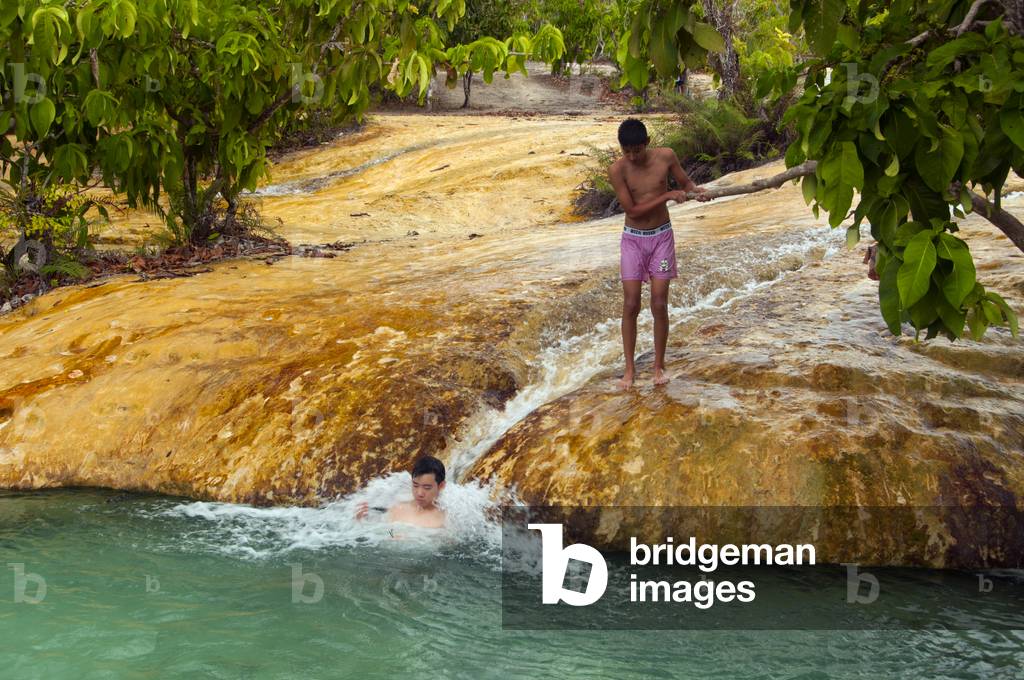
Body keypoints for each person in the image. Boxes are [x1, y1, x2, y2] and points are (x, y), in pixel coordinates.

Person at [608, 118, 710, 390]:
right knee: (631, 303)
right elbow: (632, 211)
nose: (632, 156)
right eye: (627, 151)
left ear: (647, 143)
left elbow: (685, 183)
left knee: (659, 302)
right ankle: (629, 370)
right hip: (633, 240)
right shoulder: (618, 170)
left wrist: (696, 192)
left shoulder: (666, 156)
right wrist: (666, 197)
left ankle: (658, 366)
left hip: (661, 238)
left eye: (637, 150)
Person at [356, 455, 447, 529]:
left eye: (427, 488)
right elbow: (387, 532)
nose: (419, 493)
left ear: (441, 486)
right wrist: (363, 522)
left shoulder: (446, 521)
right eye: (415, 485)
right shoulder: (397, 509)